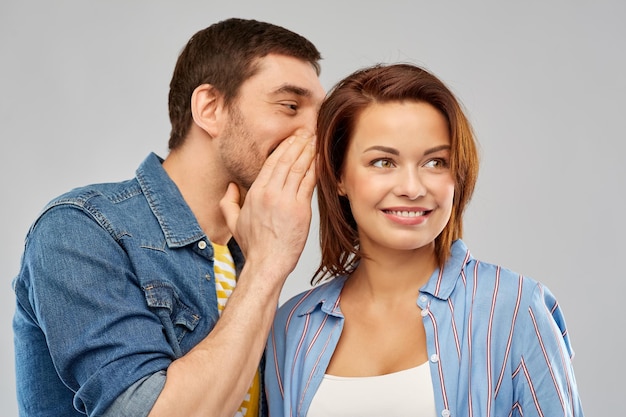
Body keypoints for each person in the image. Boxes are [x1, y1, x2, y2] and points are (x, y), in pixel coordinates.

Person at [12, 18, 325, 417]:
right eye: (291, 106)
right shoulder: (81, 229)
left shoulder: (248, 250)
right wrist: (267, 268)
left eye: (322, 115)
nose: (315, 133)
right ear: (210, 108)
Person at [265, 63, 584, 417]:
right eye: (383, 162)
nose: (412, 189)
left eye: (435, 162)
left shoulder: (513, 308)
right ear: (339, 175)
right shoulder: (294, 324)